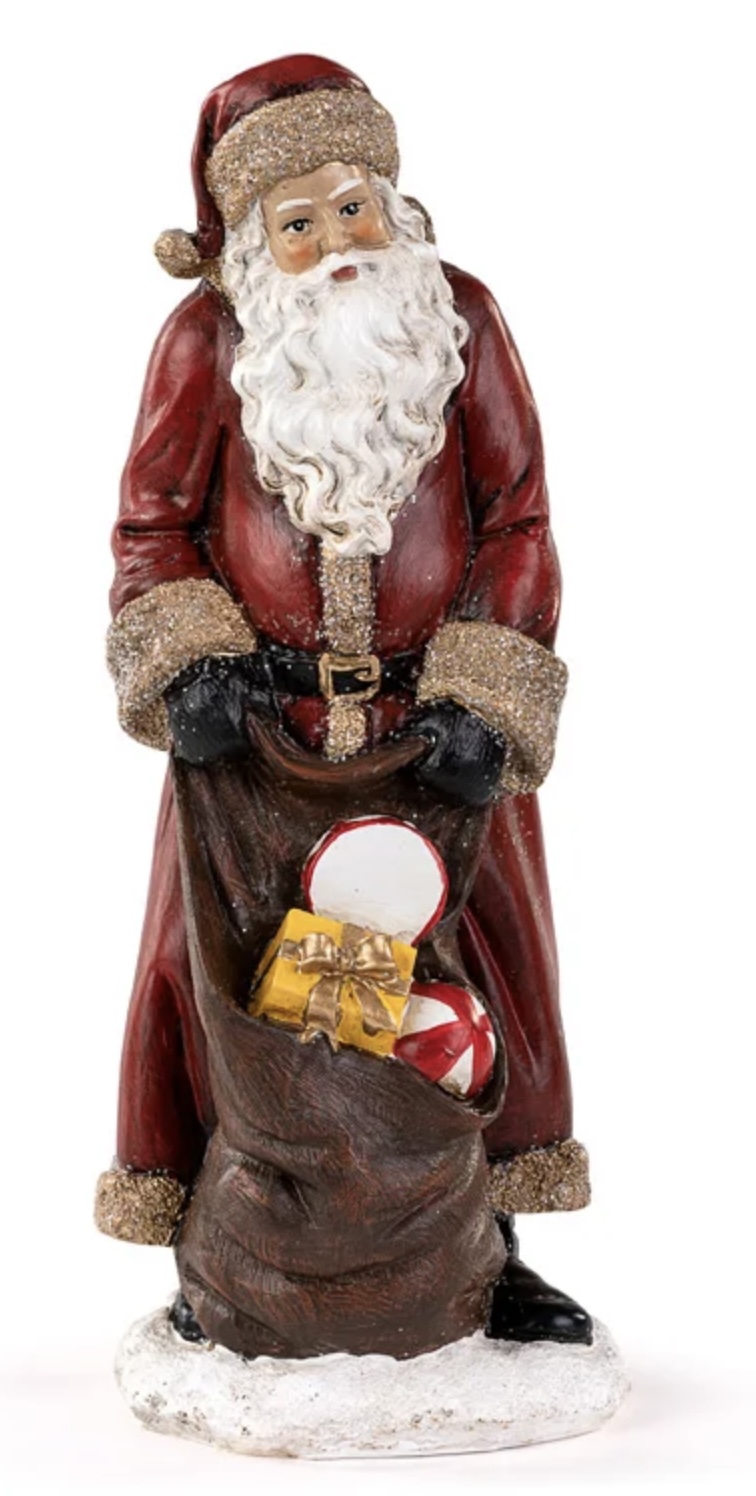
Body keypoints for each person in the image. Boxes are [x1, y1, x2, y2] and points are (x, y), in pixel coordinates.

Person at [96, 55, 593, 1350]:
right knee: (231, 978)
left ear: (394, 200)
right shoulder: (207, 341)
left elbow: (518, 518)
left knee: (479, 971)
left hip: (437, 735)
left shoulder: (461, 319)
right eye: (299, 223)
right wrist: (192, 665)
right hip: (261, 743)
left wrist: (489, 691)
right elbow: (153, 526)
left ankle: (495, 1242)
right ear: (252, 241)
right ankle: (223, 1243)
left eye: (354, 207)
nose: (337, 246)